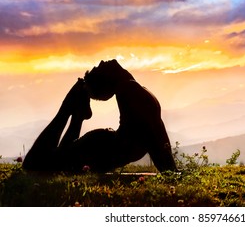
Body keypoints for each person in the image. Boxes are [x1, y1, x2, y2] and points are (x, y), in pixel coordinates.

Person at [23, 60, 177, 172]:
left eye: (98, 66)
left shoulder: (130, 90)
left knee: (34, 164)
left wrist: (171, 173)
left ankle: (70, 110)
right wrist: (171, 172)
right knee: (57, 159)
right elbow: (158, 138)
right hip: (103, 147)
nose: (102, 62)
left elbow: (154, 137)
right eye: (98, 66)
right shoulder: (134, 89)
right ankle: (76, 114)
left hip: (103, 149)